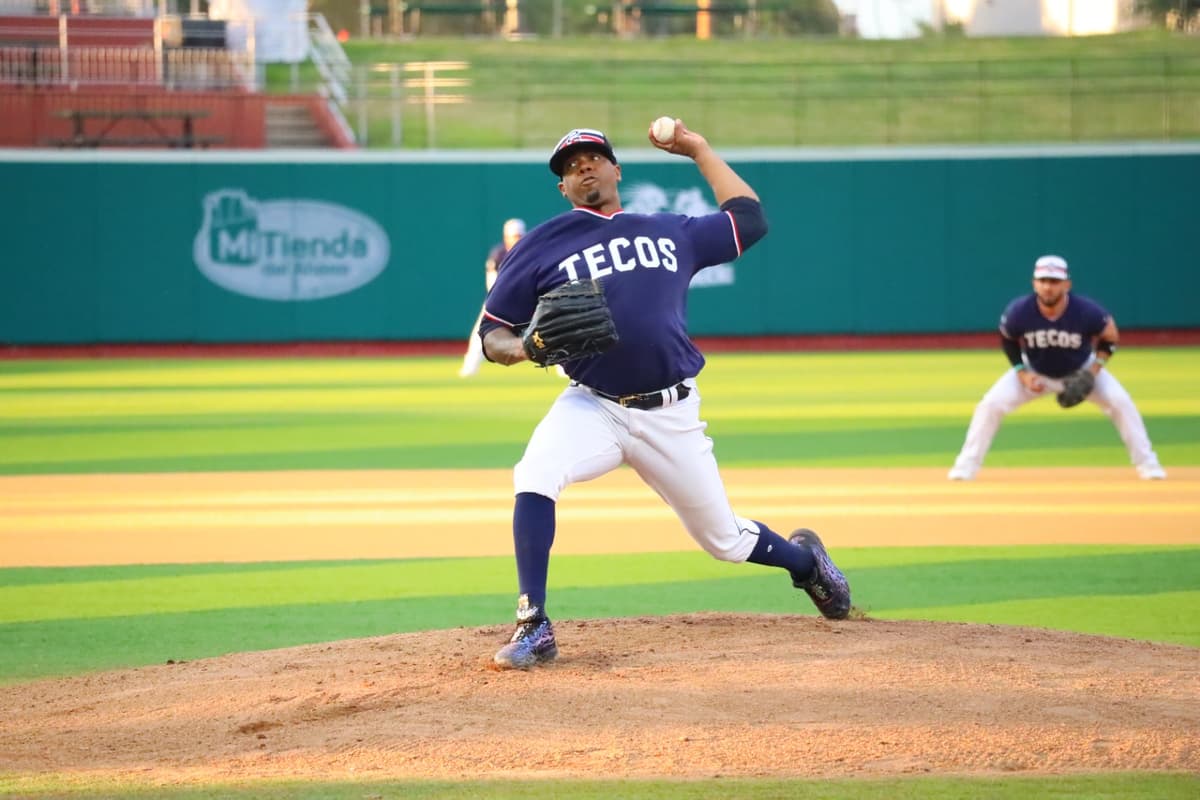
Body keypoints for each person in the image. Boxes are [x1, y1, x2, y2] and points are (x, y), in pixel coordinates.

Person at [477, 123, 853, 670]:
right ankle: (534, 625)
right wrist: (524, 350)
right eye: (569, 165)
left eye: (593, 157)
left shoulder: (667, 229)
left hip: (671, 410)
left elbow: (750, 219)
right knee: (534, 473)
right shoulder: (541, 244)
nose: (583, 166)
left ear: (615, 170)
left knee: (722, 539)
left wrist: (698, 150)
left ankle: (806, 564)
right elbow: (492, 334)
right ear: (562, 186)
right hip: (595, 405)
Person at [948, 254, 1166, 481]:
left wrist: (1093, 371)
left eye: (1053, 281)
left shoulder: (1087, 311)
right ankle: (966, 466)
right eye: (1042, 281)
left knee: (1121, 402)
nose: (1047, 287)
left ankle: (1148, 464)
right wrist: (1022, 374)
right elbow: (1008, 339)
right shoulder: (1019, 311)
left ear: (1066, 284)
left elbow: (1110, 336)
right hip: (1036, 372)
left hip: (1081, 369)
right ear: (1034, 283)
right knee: (990, 404)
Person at [459, 218, 526, 378]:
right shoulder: (499, 253)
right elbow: (492, 282)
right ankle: (470, 367)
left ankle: (563, 367)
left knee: (548, 326)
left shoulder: (529, 250)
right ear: (506, 237)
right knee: (479, 332)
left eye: (518, 236)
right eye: (512, 236)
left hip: (526, 298)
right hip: (499, 299)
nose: (515, 239)